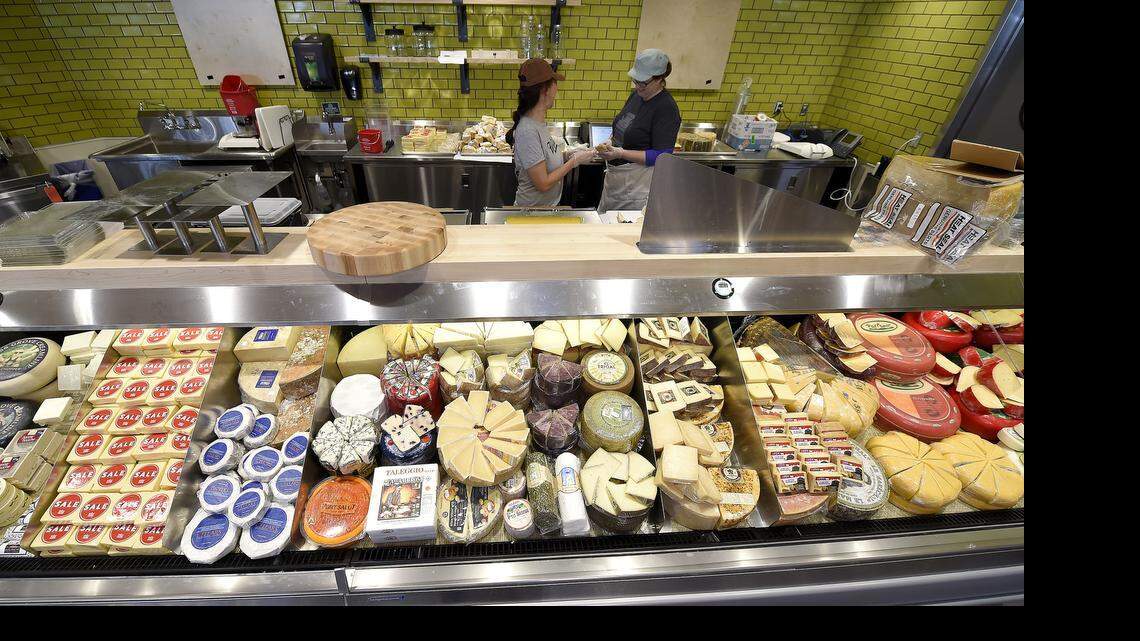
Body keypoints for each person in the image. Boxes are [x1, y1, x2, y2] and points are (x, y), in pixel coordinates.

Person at [595, 49, 682, 213]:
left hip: (636, 185)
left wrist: (620, 153)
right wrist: (611, 141)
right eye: (635, 80)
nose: (637, 86)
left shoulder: (666, 108)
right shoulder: (637, 96)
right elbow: (625, 127)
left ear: (659, 79)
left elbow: (661, 156)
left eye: (642, 82)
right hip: (616, 178)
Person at [507, 58, 596, 207]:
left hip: (545, 209)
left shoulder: (538, 123)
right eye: (555, 83)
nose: (557, 89)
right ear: (544, 90)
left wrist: (569, 155)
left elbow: (544, 159)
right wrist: (574, 162)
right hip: (531, 214)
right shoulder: (527, 131)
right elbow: (543, 184)